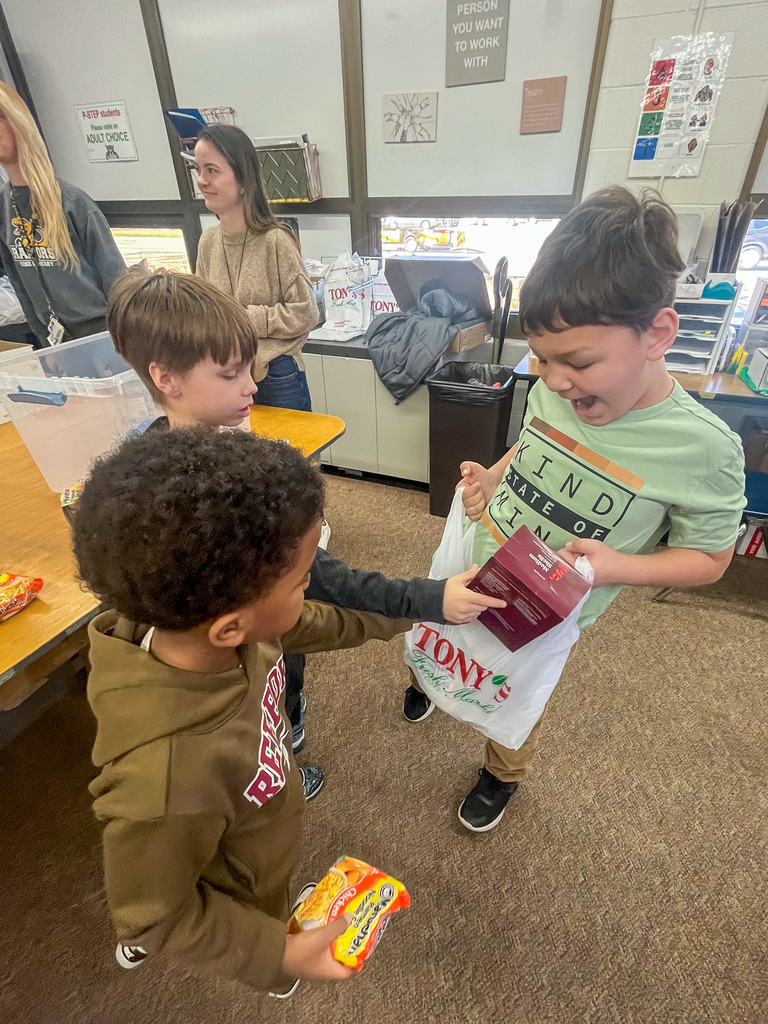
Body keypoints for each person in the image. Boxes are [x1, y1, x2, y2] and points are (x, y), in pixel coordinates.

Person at [403, 187, 746, 833]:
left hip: (550, 610)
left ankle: (501, 773)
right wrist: (489, 477)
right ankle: (429, 686)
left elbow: (710, 558)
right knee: (444, 636)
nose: (555, 380)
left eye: (579, 362)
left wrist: (618, 565)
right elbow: (529, 446)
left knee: (516, 693)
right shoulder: (555, 391)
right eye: (542, 357)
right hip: (481, 559)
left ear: (658, 334)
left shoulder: (702, 448)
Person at [107, 267, 506, 800]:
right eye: (230, 374)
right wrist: (426, 599)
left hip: (256, 656)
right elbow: (318, 583)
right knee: (257, 734)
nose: (251, 384)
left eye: (248, 368)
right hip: (237, 679)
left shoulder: (147, 463)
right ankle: (280, 755)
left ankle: (285, 734)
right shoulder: (216, 499)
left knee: (274, 698)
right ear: (166, 378)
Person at [74, 426, 415, 995]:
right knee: (254, 921)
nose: (310, 592)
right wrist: (275, 953)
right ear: (232, 626)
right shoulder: (165, 781)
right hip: (235, 876)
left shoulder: (228, 630)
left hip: (260, 815)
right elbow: (152, 913)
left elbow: (318, 623)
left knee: (269, 876)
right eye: (304, 582)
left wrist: (413, 611)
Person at [194, 124, 316, 411]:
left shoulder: (276, 240)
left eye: (212, 170)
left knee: (291, 455)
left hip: (274, 374)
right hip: (225, 375)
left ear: (244, 180)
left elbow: (306, 312)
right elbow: (203, 312)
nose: (202, 181)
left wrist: (244, 318)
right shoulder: (208, 242)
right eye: (198, 170)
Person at [0, 82, 125, 348]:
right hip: (55, 343)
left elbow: (118, 284)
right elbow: (21, 288)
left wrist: (122, 344)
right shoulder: (4, 208)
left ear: (19, 123)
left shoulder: (73, 203)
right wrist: (44, 342)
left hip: (103, 336)